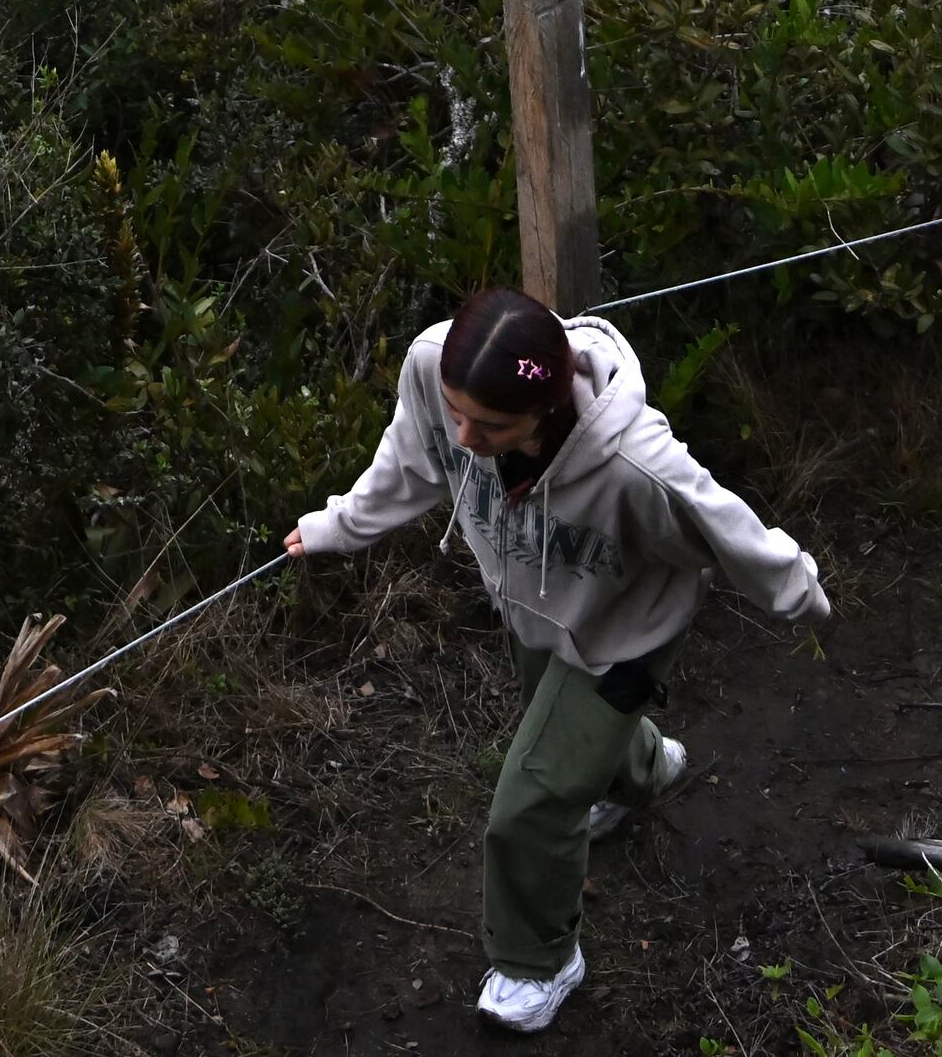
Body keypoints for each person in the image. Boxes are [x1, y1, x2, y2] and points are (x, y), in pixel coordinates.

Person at [288, 286, 830, 1036]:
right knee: (569, 740)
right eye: (459, 412)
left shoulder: (632, 464)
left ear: (545, 409)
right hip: (535, 604)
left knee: (531, 803)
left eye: (494, 424)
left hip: (626, 630)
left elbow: (723, 524)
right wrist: (338, 525)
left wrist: (798, 591)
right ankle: (643, 767)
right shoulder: (430, 366)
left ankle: (538, 960)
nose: (468, 435)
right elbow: (412, 459)